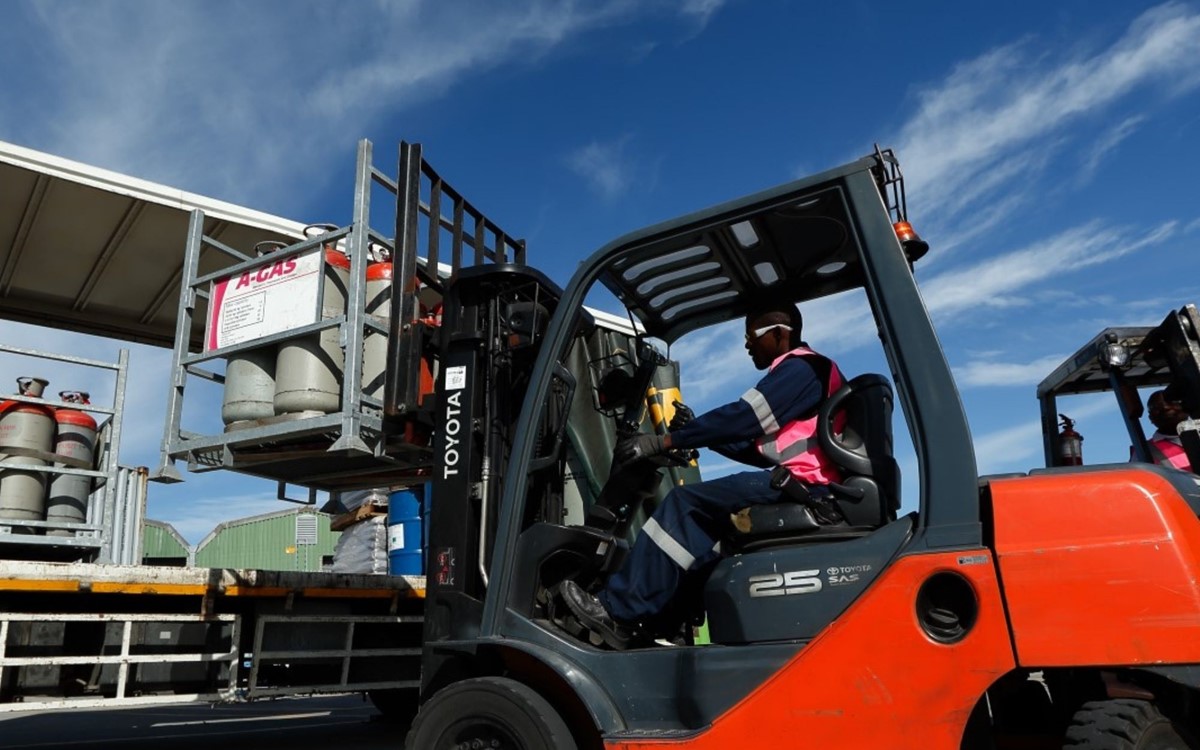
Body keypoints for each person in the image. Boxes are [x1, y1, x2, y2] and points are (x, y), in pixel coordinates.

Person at [559, 302, 846, 647]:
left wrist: (664, 440)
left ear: (780, 333)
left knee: (683, 504)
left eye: (751, 336)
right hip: (805, 485)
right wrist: (696, 432)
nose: (746, 345)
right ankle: (663, 624)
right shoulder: (807, 374)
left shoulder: (803, 369)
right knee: (707, 544)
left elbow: (743, 418)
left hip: (809, 488)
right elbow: (755, 450)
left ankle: (617, 611)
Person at [1146, 389, 1192, 471]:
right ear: (1151, 418)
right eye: (1157, 407)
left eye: (1172, 402)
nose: (1165, 407)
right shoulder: (1144, 451)